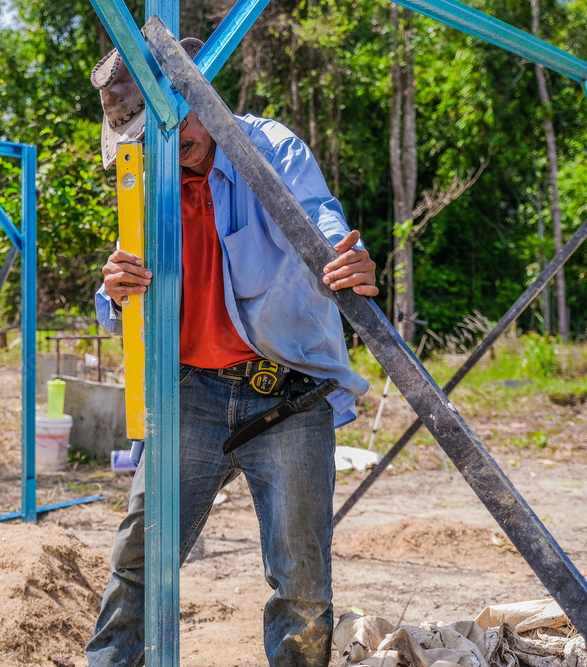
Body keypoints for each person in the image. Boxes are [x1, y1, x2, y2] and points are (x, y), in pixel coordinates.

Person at [86, 36, 377, 667]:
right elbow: (119, 295)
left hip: (288, 395)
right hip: (189, 395)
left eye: (173, 122)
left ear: (196, 96)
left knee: (300, 579)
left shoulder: (267, 148)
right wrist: (114, 290)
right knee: (139, 558)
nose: (168, 141)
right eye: (142, 132)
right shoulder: (149, 175)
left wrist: (344, 261)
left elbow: (320, 220)